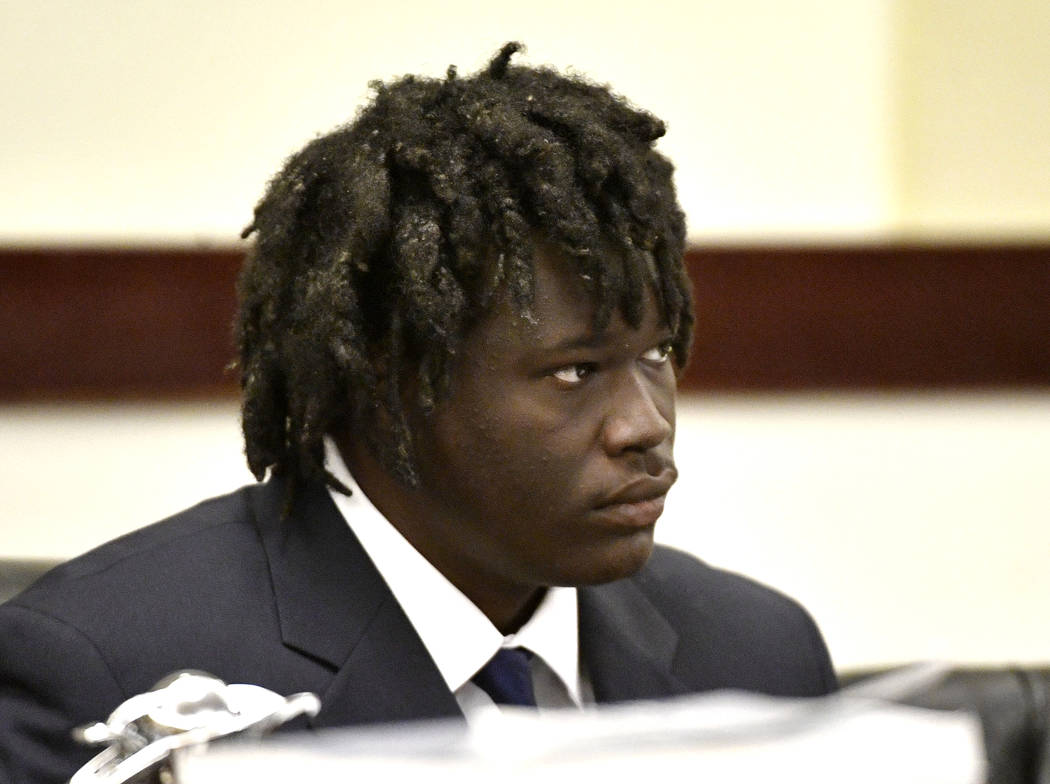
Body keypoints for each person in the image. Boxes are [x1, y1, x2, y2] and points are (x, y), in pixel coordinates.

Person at [0, 43, 836, 783]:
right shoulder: (107, 673)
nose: (645, 425)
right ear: (387, 385)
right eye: (576, 371)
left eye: (656, 356)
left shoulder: (759, 655)